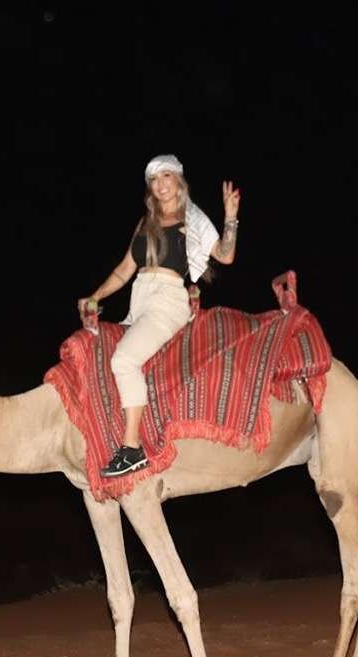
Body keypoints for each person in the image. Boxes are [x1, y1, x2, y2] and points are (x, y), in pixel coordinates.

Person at [78, 154, 241, 478]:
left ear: (179, 181)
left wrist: (230, 218)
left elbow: (225, 255)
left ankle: (132, 450)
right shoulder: (145, 223)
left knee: (124, 360)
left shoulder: (192, 219)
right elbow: (125, 270)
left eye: (167, 176)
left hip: (167, 301)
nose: (160, 184)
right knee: (100, 356)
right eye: (154, 179)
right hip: (140, 300)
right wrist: (95, 296)